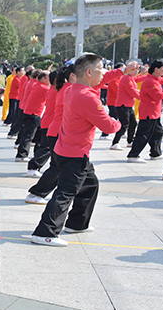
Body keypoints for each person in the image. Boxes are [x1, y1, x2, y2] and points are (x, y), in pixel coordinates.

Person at [30, 54, 120, 247]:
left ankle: (77, 224)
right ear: (89, 72)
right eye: (101, 68)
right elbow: (109, 126)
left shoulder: (71, 89)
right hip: (74, 153)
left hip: (68, 149)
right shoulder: (87, 97)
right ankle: (45, 232)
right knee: (65, 193)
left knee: (90, 185)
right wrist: (119, 123)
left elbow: (95, 89)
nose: (103, 72)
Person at [127, 61, 163, 163]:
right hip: (149, 112)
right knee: (143, 134)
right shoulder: (150, 81)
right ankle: (133, 155)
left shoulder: (155, 79)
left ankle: (155, 153)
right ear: (156, 69)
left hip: (155, 112)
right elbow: (158, 96)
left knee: (158, 132)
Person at [112, 61, 141, 149]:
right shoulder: (126, 78)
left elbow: (134, 89)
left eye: (137, 70)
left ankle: (130, 141)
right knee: (124, 124)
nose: (136, 72)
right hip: (123, 105)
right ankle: (115, 143)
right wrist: (143, 98)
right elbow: (131, 92)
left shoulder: (131, 78)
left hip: (128, 105)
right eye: (135, 70)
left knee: (133, 123)